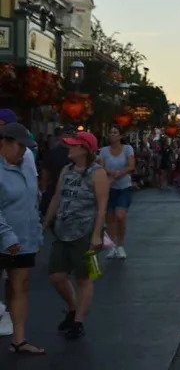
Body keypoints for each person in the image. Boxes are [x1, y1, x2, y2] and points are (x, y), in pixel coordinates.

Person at [43, 131, 109, 340]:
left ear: (84, 149)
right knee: (57, 276)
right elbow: (56, 197)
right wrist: (45, 224)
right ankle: (72, 307)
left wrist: (96, 235)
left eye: (73, 145)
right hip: (63, 230)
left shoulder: (97, 173)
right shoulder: (66, 170)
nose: (68, 148)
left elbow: (101, 207)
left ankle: (78, 321)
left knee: (83, 278)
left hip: (84, 232)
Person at [0, 123, 45, 355]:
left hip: (23, 240)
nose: (23, 152)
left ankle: (18, 340)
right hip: (4, 240)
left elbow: (31, 202)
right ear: (5, 142)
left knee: (20, 285)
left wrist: (36, 233)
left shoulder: (26, 167)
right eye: (19, 146)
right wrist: (7, 236)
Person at [98, 126, 135, 260]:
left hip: (124, 187)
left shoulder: (127, 149)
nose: (112, 135)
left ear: (120, 136)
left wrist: (121, 173)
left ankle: (121, 245)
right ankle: (112, 247)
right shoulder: (103, 151)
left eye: (115, 133)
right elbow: (101, 166)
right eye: (110, 133)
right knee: (110, 219)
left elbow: (131, 165)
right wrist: (110, 173)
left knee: (120, 215)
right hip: (109, 187)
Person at [39, 127, 72, 216]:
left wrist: (43, 190)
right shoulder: (53, 152)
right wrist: (43, 189)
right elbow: (45, 172)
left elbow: (45, 172)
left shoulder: (74, 153)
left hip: (66, 191)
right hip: (56, 189)